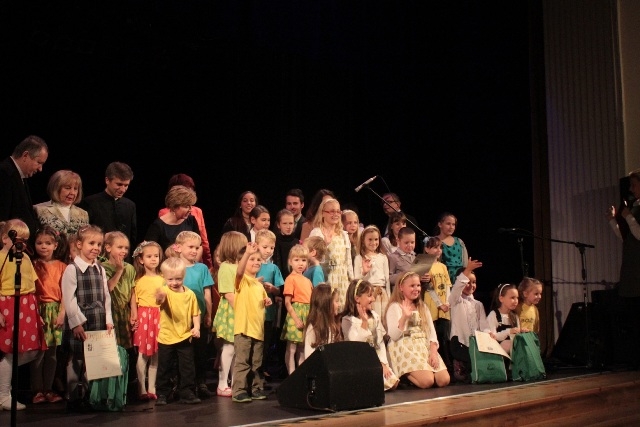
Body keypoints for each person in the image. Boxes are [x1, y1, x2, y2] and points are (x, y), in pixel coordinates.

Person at [62, 224, 113, 411]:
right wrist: (76, 323)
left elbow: (106, 296)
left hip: (98, 318)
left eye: (99, 244)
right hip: (81, 320)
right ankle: (73, 397)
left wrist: (108, 320)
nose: (96, 248)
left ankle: (90, 396)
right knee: (77, 358)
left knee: (94, 359)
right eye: (91, 243)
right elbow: (69, 299)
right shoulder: (72, 269)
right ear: (79, 244)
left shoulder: (100, 269)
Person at [0, 219, 46, 410]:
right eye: (18, 239)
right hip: (8, 304)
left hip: (27, 305)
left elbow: (32, 285)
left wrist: (37, 313)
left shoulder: (25, 258)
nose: (22, 244)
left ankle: (4, 376)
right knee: (10, 352)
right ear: (5, 238)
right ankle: (4, 395)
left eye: (25, 240)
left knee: (33, 350)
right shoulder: (1, 258)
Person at [383, 271, 450, 389]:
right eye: (412, 286)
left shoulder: (422, 307)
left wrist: (433, 353)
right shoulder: (395, 307)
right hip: (404, 345)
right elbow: (393, 336)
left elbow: (431, 333)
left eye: (418, 285)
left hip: (423, 345)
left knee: (443, 380)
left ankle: (422, 372)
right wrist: (404, 317)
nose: (416, 289)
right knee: (427, 381)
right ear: (401, 287)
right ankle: (405, 377)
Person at [170, 231, 214, 398]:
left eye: (197, 247)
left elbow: (207, 293)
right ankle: (180, 384)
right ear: (178, 247)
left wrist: (208, 314)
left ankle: (200, 382)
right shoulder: (173, 267)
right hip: (178, 319)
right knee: (181, 354)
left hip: (198, 317)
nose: (194, 251)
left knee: (200, 352)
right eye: (190, 247)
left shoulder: (202, 268)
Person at [154, 257, 201, 406]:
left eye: (178, 279)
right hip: (166, 337)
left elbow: (195, 312)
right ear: (164, 277)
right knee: (165, 367)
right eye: (170, 279)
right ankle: (163, 393)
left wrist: (196, 327)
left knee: (187, 367)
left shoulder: (190, 294)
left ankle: (186, 391)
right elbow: (159, 302)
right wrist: (159, 298)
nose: (174, 282)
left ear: (184, 276)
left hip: (185, 336)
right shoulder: (164, 291)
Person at [606, 168, 640, 368]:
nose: (631, 189)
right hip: (631, 270)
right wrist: (613, 220)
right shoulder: (634, 208)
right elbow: (627, 238)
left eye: (634, 185)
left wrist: (628, 217)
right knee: (633, 317)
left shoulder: (634, 212)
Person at [30, 226, 67, 404]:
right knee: (38, 353)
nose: (43, 246)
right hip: (38, 310)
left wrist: (62, 313)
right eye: (39, 243)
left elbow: (66, 292)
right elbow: (31, 291)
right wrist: (36, 313)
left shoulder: (62, 266)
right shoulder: (32, 265)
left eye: (47, 243)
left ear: (55, 245)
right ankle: (37, 390)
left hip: (56, 311)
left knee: (52, 353)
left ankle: (48, 389)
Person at [231, 242, 273, 403]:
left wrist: (267, 301)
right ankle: (239, 390)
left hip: (258, 330)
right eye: (252, 259)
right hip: (244, 329)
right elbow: (239, 271)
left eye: (258, 259)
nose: (256, 262)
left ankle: (255, 388)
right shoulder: (242, 280)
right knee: (243, 361)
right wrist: (247, 253)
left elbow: (261, 300)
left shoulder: (259, 285)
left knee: (257, 363)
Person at [341, 279, 399, 391]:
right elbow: (355, 346)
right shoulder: (348, 320)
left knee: (393, 382)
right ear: (357, 299)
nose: (373, 299)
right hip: (359, 361)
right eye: (369, 296)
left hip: (376, 358)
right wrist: (364, 323)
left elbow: (379, 343)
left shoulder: (374, 316)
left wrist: (383, 363)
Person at [212, 231, 248, 397]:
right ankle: (222, 383)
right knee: (229, 348)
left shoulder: (240, 266)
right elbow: (228, 293)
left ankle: (235, 382)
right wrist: (242, 310)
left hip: (241, 310)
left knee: (237, 349)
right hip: (232, 311)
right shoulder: (226, 268)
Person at [100, 231, 137, 391]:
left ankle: (125, 384)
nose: (124, 251)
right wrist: (119, 271)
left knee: (127, 348)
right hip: (111, 314)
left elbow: (132, 291)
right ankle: (111, 385)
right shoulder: (103, 267)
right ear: (108, 248)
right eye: (120, 247)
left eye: (126, 248)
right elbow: (108, 288)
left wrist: (134, 311)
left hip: (124, 312)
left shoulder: (130, 268)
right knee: (112, 349)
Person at [78, 162, 137, 255]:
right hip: (98, 256)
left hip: (123, 258)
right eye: (119, 184)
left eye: (126, 185)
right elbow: (84, 234)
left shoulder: (130, 205)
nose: (123, 189)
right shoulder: (90, 202)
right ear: (107, 180)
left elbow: (133, 237)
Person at [0, 135, 48, 246]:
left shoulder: (19, 175)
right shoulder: (4, 174)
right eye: (39, 162)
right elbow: (2, 217)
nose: (40, 169)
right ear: (25, 155)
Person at [131, 240, 165, 401]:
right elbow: (133, 300)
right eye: (149, 256)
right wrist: (133, 315)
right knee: (143, 353)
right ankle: (141, 388)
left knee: (156, 353)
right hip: (144, 316)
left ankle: (152, 387)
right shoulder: (138, 280)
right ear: (141, 259)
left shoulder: (163, 278)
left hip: (159, 316)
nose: (153, 259)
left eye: (156, 256)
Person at [158, 173, 213, 269]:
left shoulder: (197, 211)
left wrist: (208, 264)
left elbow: (203, 240)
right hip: (174, 265)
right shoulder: (165, 213)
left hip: (195, 261)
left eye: (190, 189)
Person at [309, 198, 354, 311]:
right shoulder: (317, 232)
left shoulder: (343, 234)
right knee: (328, 312)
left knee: (342, 312)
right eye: (332, 211)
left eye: (338, 211)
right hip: (326, 279)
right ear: (323, 213)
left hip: (342, 281)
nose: (336, 214)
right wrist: (326, 244)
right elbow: (312, 260)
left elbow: (348, 261)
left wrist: (352, 280)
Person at [448, 260, 489, 383]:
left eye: (474, 282)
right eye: (468, 282)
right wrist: (467, 270)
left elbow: (484, 324)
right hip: (460, 341)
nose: (471, 285)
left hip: (476, 342)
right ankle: (459, 365)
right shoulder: (455, 300)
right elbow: (457, 287)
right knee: (470, 363)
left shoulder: (478, 304)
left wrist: (488, 335)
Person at [253, 229, 283, 383]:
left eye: (271, 248)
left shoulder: (273, 268)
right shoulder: (253, 265)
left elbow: (279, 290)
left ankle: (262, 369)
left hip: (268, 312)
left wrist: (273, 289)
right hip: (253, 311)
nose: (268, 251)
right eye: (265, 247)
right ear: (257, 245)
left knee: (265, 342)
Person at [280, 244, 313, 374]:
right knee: (292, 348)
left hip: (307, 314)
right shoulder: (290, 279)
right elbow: (287, 302)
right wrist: (296, 318)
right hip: (296, 314)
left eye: (303, 260)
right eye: (296, 260)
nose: (300, 263)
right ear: (290, 262)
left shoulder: (307, 281)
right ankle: (291, 375)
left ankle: (301, 375)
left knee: (302, 348)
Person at [422, 236, 453, 376]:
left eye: (440, 247)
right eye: (434, 247)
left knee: (444, 338)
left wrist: (447, 303)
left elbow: (447, 286)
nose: (438, 250)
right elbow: (428, 288)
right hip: (432, 305)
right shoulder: (425, 266)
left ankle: (448, 367)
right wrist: (439, 304)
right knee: (433, 338)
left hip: (444, 307)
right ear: (427, 249)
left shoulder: (443, 267)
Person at [145, 185, 201, 260]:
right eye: (186, 206)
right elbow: (149, 251)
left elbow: (199, 245)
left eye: (191, 206)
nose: (190, 209)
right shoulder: (157, 226)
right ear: (174, 207)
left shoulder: (191, 220)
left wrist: (193, 263)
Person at [34, 169, 89, 239]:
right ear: (56, 188)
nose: (72, 193)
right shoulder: (39, 210)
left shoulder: (83, 214)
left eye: (75, 189)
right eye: (68, 188)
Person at [354, 225, 390, 317]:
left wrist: (389, 297)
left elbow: (387, 280)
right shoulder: (359, 258)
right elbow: (356, 280)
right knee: (372, 318)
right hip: (368, 293)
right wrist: (364, 273)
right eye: (370, 239)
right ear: (363, 240)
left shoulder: (383, 257)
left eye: (376, 239)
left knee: (384, 319)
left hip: (382, 292)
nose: (373, 242)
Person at [487, 283, 527, 357]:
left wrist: (521, 331)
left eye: (517, 298)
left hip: (512, 353)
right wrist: (509, 331)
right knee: (507, 343)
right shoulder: (494, 315)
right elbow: (492, 337)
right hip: (496, 353)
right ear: (501, 299)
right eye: (512, 298)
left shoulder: (515, 316)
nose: (516, 301)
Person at [303, 284, 342, 359]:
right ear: (326, 304)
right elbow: (309, 358)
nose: (339, 305)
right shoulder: (313, 328)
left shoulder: (333, 325)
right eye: (336, 301)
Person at [434, 212, 468, 282]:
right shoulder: (434, 241)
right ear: (440, 224)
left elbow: (465, 262)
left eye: (453, 224)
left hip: (459, 277)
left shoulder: (459, 241)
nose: (451, 227)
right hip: (442, 278)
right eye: (448, 224)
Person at [272, 208, 297, 279]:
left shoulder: (297, 243)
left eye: (291, 223)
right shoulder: (274, 242)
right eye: (285, 223)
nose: (288, 227)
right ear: (278, 225)